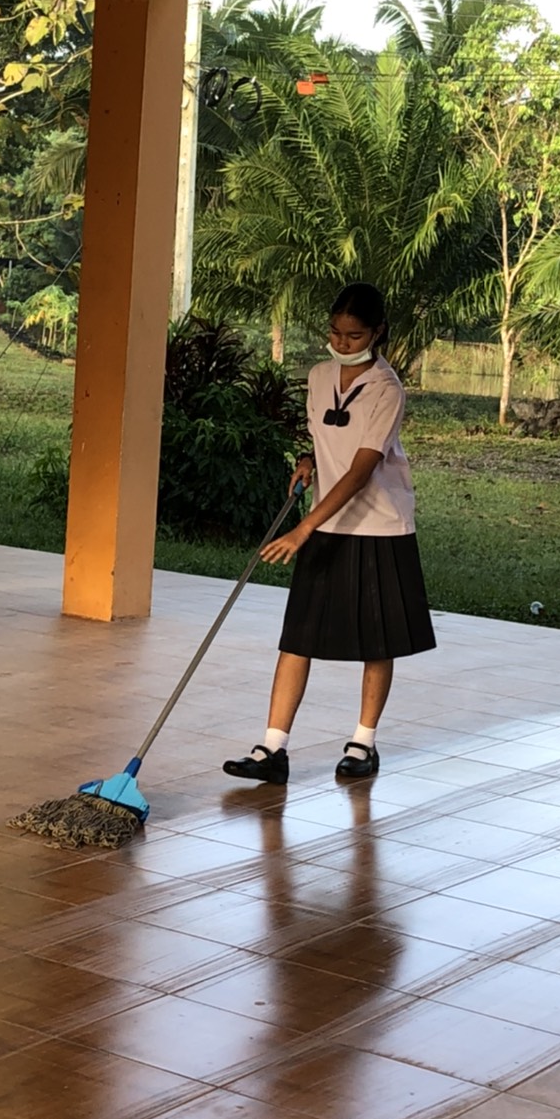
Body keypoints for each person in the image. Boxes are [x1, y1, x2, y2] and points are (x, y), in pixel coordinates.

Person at [224, 282, 435, 785]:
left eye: (354, 335)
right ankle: (272, 748)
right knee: (298, 635)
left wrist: (303, 529)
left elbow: (362, 469)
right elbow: (326, 439)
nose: (342, 342)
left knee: (376, 640)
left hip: (378, 525)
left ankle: (363, 743)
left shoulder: (387, 389)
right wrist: (308, 459)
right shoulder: (319, 377)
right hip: (326, 519)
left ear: (378, 332)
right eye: (336, 333)